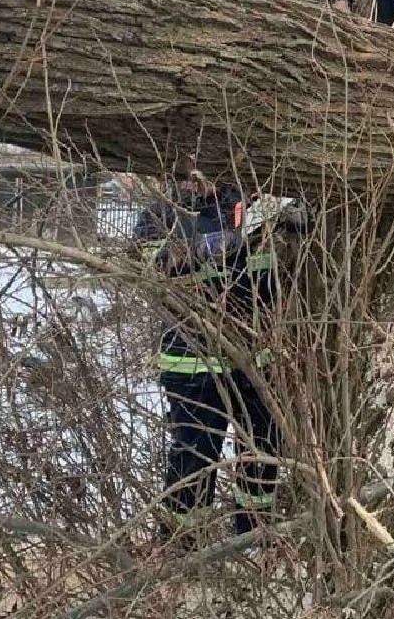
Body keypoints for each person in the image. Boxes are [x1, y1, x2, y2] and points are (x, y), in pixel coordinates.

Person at [132, 166, 281, 545]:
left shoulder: (253, 208)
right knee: (193, 457)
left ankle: (254, 537)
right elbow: (155, 266)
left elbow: (274, 276)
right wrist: (212, 246)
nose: (195, 179)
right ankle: (179, 544)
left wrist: (287, 226)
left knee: (262, 449)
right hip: (190, 360)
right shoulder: (160, 213)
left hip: (253, 358)